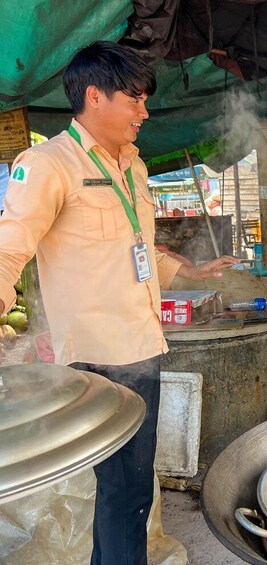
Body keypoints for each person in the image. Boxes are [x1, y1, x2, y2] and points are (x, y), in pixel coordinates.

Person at [0, 41, 239, 564]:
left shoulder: (131, 166)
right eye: (134, 99)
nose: (144, 112)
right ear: (94, 97)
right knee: (123, 491)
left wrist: (188, 269)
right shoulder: (47, 165)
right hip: (96, 356)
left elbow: (136, 243)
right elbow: (8, 246)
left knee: (128, 492)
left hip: (140, 345)